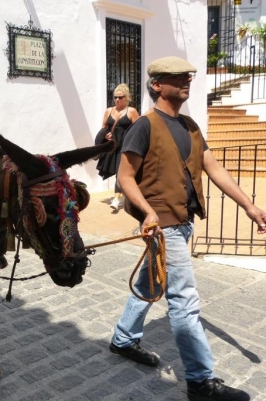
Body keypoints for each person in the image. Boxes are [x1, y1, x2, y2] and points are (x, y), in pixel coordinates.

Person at [109, 56, 266, 401]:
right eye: (176, 77)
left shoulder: (191, 126)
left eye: (188, 76)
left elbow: (216, 169)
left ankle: (123, 339)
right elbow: (125, 176)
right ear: (156, 85)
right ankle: (200, 380)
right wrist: (148, 212)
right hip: (162, 225)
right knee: (184, 302)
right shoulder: (144, 126)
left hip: (183, 222)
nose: (186, 81)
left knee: (150, 281)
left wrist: (249, 205)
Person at [95, 83, 139, 211]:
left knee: (120, 172)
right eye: (115, 97)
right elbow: (104, 127)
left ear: (127, 97)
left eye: (120, 97)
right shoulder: (109, 111)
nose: (117, 100)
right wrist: (105, 135)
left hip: (125, 146)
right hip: (112, 146)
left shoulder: (131, 111)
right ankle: (126, 194)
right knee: (114, 170)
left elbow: (137, 130)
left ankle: (117, 198)